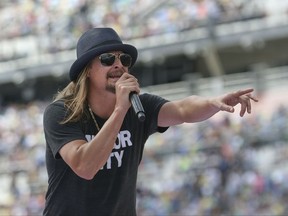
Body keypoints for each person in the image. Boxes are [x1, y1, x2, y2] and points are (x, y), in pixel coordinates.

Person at [43, 27, 258, 216]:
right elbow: (85, 166)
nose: (118, 65)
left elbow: (182, 110)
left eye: (123, 59)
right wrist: (120, 109)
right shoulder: (62, 113)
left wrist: (213, 102)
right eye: (108, 59)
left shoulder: (139, 105)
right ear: (87, 70)